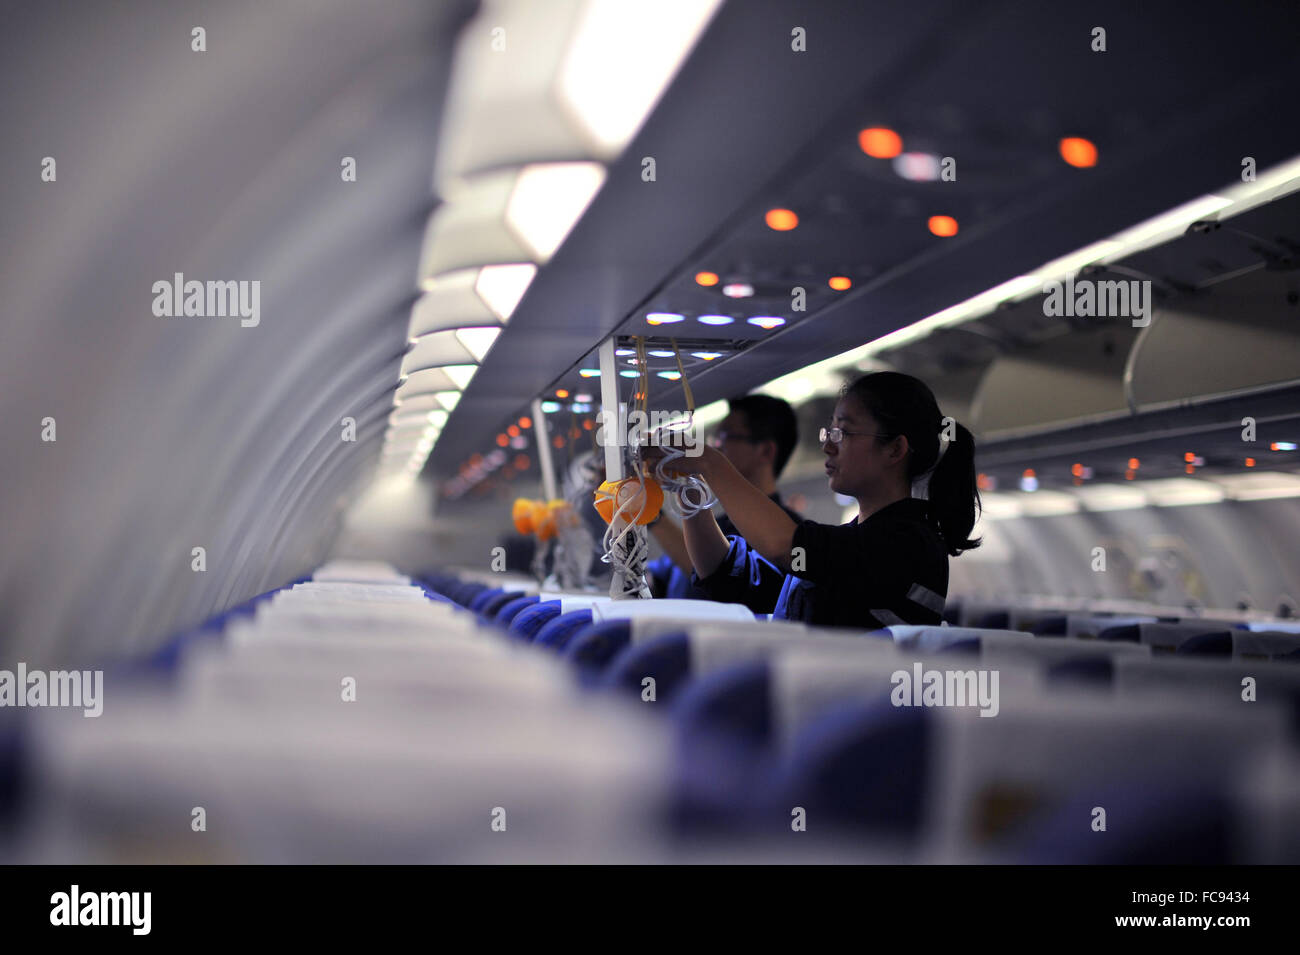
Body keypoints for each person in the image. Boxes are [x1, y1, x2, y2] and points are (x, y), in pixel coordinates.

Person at [643, 372, 980, 630]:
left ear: (895, 449)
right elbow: (728, 576)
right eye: (829, 432)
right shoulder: (856, 539)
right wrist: (691, 493)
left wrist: (710, 462)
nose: (828, 446)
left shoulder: (908, 542)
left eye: (843, 433)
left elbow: (781, 545)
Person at [645, 394, 802, 599]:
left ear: (765, 451)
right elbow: (659, 577)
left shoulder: (787, 535)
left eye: (726, 437)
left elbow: (716, 576)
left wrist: (650, 511)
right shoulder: (717, 523)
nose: (716, 447)